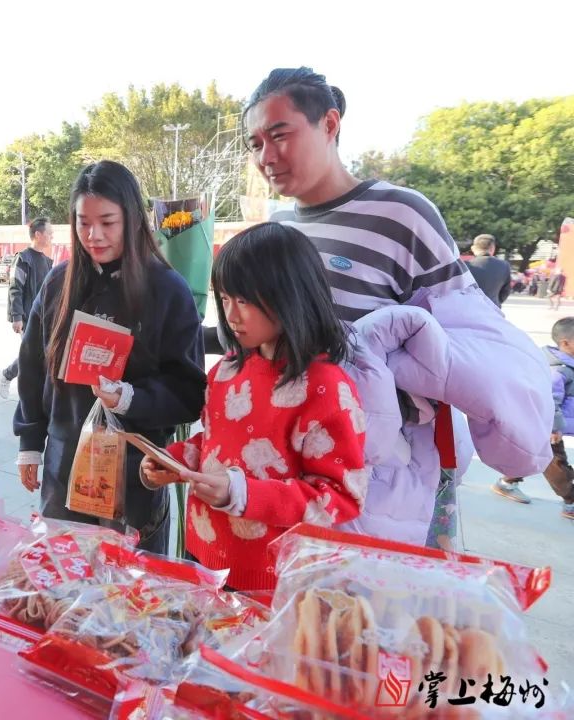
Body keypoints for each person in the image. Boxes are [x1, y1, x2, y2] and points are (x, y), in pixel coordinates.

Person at [243, 67, 551, 547]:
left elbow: (458, 333)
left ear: (329, 123)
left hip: (381, 473)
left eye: (280, 135)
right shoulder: (280, 228)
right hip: (290, 460)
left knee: (367, 612)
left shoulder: (401, 213)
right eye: (255, 143)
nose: (267, 155)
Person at [145, 223, 366, 591]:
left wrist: (242, 494)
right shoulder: (226, 369)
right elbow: (216, 443)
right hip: (201, 552)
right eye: (226, 299)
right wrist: (174, 459)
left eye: (244, 301)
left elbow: (340, 497)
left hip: (270, 580)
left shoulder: (325, 388)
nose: (231, 315)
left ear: (290, 296)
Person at [14, 160, 206, 553]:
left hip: (136, 473)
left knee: (130, 595)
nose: (94, 235)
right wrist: (30, 441)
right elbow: (33, 366)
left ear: (133, 219)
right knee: (63, 578)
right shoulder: (58, 283)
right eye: (83, 222)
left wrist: (130, 398)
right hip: (64, 466)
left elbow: (189, 392)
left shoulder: (168, 290)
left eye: (107, 222)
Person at [494, 317, 574, 518]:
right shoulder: (558, 370)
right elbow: (550, 401)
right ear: (565, 343)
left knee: (532, 456)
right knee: (555, 465)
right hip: (549, 428)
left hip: (552, 427)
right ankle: (571, 501)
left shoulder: (567, 364)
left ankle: (506, 482)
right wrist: (553, 428)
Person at [0, 217, 54, 399]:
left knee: (40, 354)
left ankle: (9, 376)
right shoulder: (23, 259)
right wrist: (17, 316)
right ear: (38, 234)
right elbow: (16, 287)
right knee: (32, 354)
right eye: (49, 233)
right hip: (28, 316)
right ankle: (7, 376)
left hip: (45, 317)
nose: (52, 237)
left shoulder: (47, 262)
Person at [466, 233, 512, 307]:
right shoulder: (504, 265)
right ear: (492, 248)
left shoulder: (466, 265)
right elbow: (506, 291)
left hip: (470, 309)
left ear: (473, 248)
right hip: (493, 309)